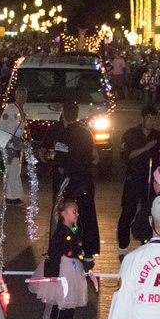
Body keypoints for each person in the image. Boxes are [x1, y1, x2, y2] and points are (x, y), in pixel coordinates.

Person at [28, 198, 97, 319]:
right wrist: (52, 273)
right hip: (62, 266)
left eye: (77, 212)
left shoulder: (75, 228)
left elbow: (77, 245)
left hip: (73, 266)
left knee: (71, 294)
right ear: (64, 213)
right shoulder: (60, 232)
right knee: (57, 295)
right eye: (74, 211)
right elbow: (53, 254)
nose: (77, 214)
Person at [116, 106, 160, 261]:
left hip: (151, 183)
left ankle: (146, 244)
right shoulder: (130, 134)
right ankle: (123, 247)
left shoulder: (159, 136)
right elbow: (126, 156)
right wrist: (145, 148)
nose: (151, 121)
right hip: (134, 180)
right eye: (149, 118)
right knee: (127, 213)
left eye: (154, 118)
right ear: (143, 118)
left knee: (150, 214)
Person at [52, 101, 100, 265]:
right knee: (87, 214)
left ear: (64, 114)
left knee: (68, 215)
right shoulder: (87, 133)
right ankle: (89, 251)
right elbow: (93, 156)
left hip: (70, 180)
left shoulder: (63, 134)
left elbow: (60, 158)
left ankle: (69, 247)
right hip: (86, 178)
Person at [0, 86, 27, 205]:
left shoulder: (21, 109)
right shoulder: (10, 109)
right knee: (12, 170)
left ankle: (11, 195)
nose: (22, 98)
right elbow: (2, 126)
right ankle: (13, 196)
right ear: (15, 96)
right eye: (20, 95)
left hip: (17, 143)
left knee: (14, 169)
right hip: (9, 143)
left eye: (24, 96)